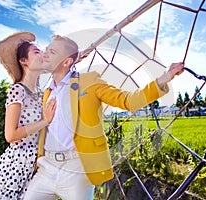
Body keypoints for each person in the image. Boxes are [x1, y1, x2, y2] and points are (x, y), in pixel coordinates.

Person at [24, 35, 184, 200]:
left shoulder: (89, 81)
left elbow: (128, 100)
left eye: (52, 51)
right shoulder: (48, 92)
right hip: (46, 168)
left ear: (66, 62)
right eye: (46, 50)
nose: (45, 54)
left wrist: (165, 77)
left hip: (77, 170)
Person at [0, 32, 57, 200]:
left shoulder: (40, 93)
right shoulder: (18, 90)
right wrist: (45, 121)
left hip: (38, 162)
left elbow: (59, 67)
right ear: (23, 61)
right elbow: (10, 135)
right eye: (36, 52)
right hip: (17, 166)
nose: (42, 54)